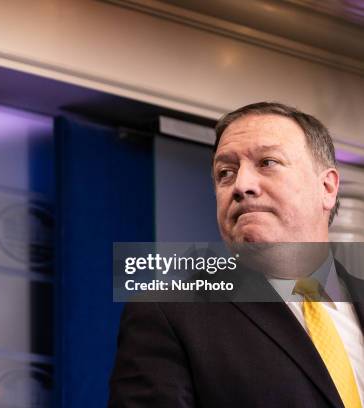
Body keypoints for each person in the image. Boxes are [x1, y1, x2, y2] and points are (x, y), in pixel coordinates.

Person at [108, 102, 364, 407]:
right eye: (225, 173)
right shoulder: (169, 313)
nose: (241, 185)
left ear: (327, 187)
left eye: (267, 162)